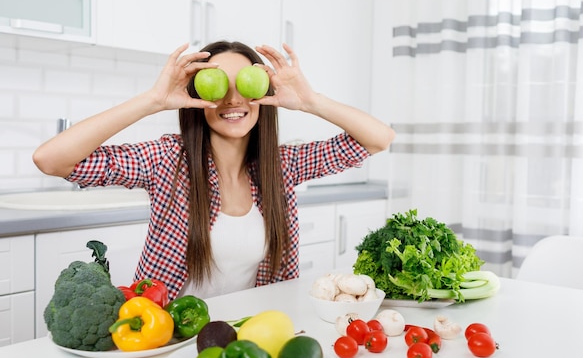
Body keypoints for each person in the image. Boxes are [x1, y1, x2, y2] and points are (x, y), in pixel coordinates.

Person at [32, 41, 395, 301]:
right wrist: (153, 101)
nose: (233, 99)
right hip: (166, 334)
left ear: (265, 94)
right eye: (220, 84)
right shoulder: (168, 159)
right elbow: (52, 160)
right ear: (198, 98)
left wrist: (310, 101)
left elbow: (378, 138)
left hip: (249, 339)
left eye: (246, 85)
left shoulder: (281, 167)